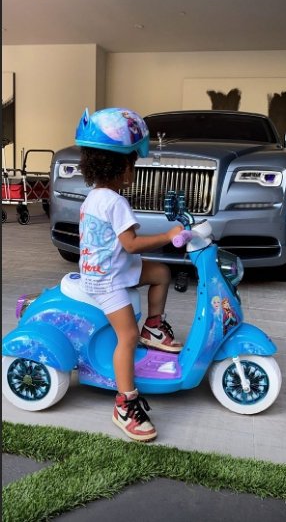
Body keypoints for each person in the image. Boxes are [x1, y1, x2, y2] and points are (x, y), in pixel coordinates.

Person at [75, 107, 184, 442]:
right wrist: (168, 236)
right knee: (127, 337)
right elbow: (132, 244)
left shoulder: (95, 197)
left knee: (161, 273)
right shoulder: (116, 203)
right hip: (107, 280)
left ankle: (155, 326)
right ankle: (125, 403)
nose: (134, 168)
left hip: (107, 267)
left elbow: (117, 245)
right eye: (133, 162)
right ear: (120, 165)